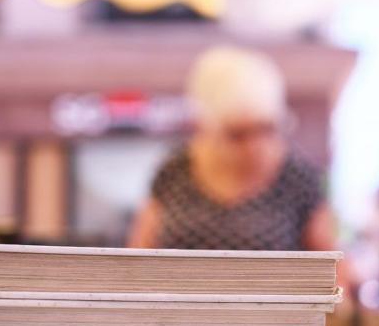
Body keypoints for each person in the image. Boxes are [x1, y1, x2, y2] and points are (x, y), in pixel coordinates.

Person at [128, 46, 337, 252]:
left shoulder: (296, 178)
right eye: (237, 135)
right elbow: (139, 253)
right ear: (206, 127)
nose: (253, 146)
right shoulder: (174, 170)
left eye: (265, 130)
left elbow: (332, 267)